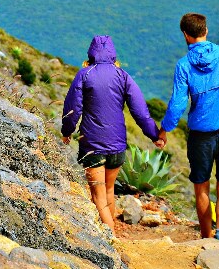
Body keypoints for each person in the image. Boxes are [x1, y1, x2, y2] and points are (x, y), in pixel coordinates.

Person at [155, 13, 219, 241]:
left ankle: (205, 236)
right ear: (206, 30)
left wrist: (164, 131)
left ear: (185, 34)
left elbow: (178, 104)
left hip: (200, 136)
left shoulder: (183, 65)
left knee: (201, 186)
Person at [61, 35, 160, 232]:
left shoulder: (85, 74)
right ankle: (112, 232)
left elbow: (73, 109)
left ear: (90, 54)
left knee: (97, 196)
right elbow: (140, 112)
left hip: (93, 145)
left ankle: (111, 240)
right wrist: (155, 135)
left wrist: (67, 131)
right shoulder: (123, 76)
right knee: (108, 190)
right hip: (117, 146)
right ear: (114, 56)